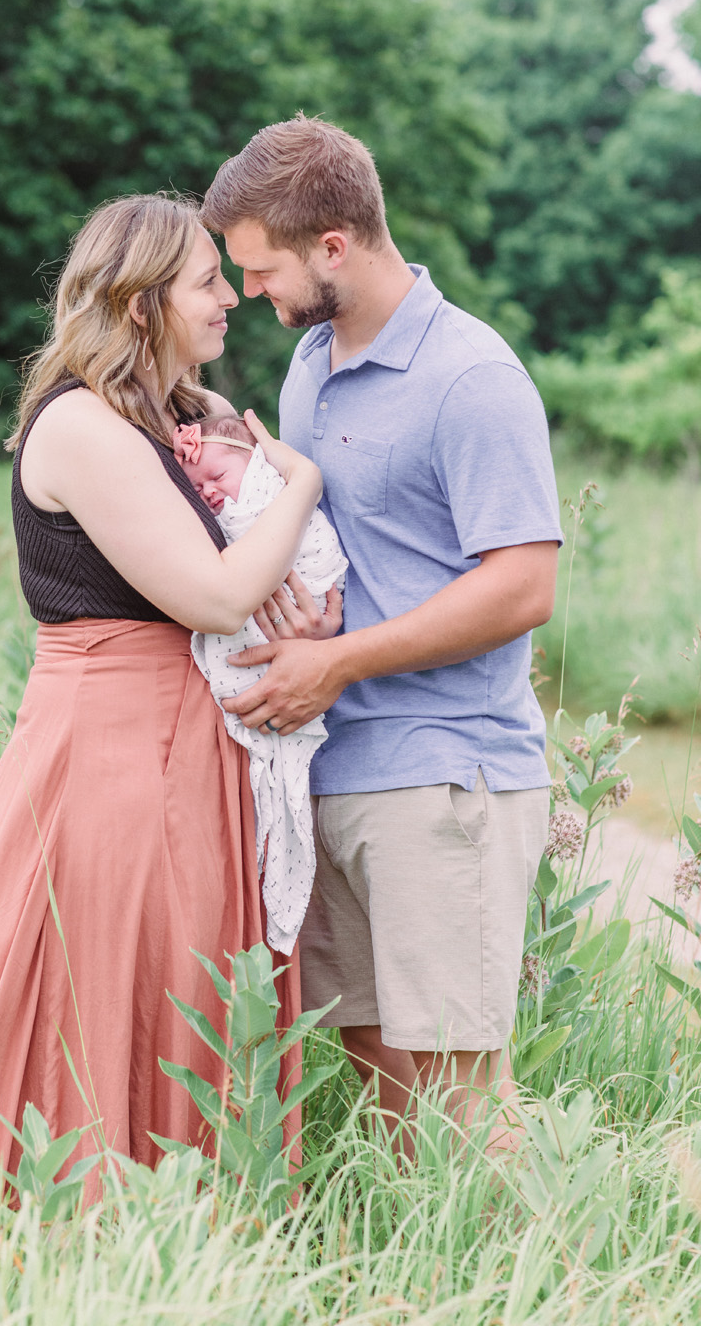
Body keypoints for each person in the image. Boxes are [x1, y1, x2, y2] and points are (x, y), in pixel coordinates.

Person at [0, 193, 323, 1198]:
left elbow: (234, 585)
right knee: (97, 970)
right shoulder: (82, 427)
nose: (228, 298)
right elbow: (216, 588)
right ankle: (66, 1227)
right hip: (110, 746)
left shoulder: (165, 419)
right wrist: (302, 485)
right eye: (205, 282)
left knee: (180, 979)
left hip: (183, 738)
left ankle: (180, 1231)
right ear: (140, 305)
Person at [200, 117, 563, 1153]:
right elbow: (351, 549)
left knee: (459, 1083)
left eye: (261, 269)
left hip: (445, 773)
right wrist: (317, 620)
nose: (250, 292)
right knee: (379, 1077)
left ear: (332, 245)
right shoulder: (309, 363)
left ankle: (543, 1297)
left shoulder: (470, 376)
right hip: (330, 761)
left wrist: (339, 658)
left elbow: (523, 584)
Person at [172, 415, 347, 954]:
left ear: (256, 464)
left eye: (219, 475)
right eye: (198, 488)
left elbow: (308, 552)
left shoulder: (268, 489)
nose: (209, 491)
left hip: (306, 630)